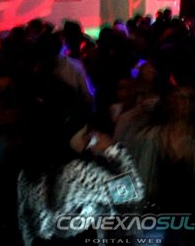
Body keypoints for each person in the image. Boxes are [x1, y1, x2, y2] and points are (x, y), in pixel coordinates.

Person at [16, 75, 144, 246]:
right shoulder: (77, 173)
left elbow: (26, 228)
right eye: (85, 128)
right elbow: (134, 191)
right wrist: (113, 150)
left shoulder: (26, 174)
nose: (89, 134)